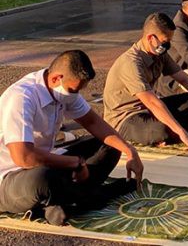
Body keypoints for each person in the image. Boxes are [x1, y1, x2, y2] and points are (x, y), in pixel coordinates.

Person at [0, 50, 144, 225]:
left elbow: (92, 122)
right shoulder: (22, 97)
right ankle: (88, 197)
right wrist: (75, 163)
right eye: (74, 90)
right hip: (10, 177)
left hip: (48, 160)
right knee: (42, 180)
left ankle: (63, 203)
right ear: (55, 79)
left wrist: (130, 151)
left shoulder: (64, 90)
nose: (76, 95)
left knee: (111, 146)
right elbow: (23, 157)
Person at [103, 12, 188, 152]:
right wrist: (181, 132)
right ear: (151, 38)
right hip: (126, 117)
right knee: (160, 130)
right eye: (165, 42)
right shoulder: (131, 63)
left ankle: (176, 129)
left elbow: (183, 78)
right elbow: (152, 102)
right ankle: (181, 129)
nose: (168, 46)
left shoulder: (160, 54)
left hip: (149, 109)